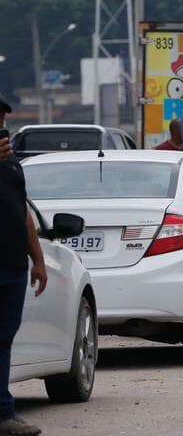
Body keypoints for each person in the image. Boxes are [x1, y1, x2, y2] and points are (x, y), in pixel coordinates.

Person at [1, 95, 46, 436]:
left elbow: (23, 214)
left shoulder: (11, 162)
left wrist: (38, 260)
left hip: (12, 265)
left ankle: (4, 414)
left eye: (2, 118)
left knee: (3, 339)